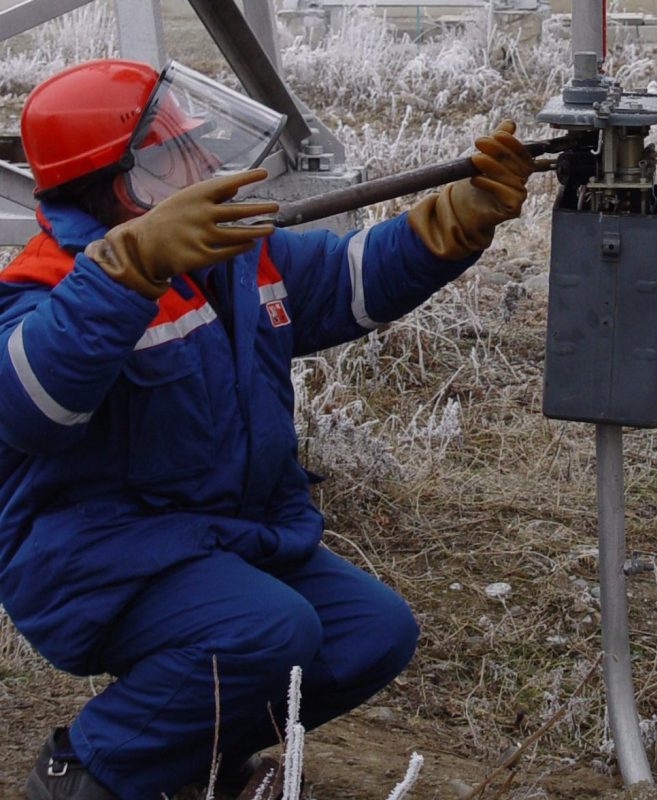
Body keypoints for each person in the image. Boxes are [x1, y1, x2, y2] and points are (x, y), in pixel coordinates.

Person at [0, 58, 535, 800]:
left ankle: (189, 764)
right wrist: (129, 271)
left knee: (368, 633)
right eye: (173, 150)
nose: (204, 162)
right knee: (268, 632)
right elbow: (29, 403)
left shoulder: (237, 258)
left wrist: (455, 219)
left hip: (219, 539)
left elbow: (351, 276)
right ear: (117, 185)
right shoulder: (51, 285)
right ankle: (85, 772)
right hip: (98, 560)